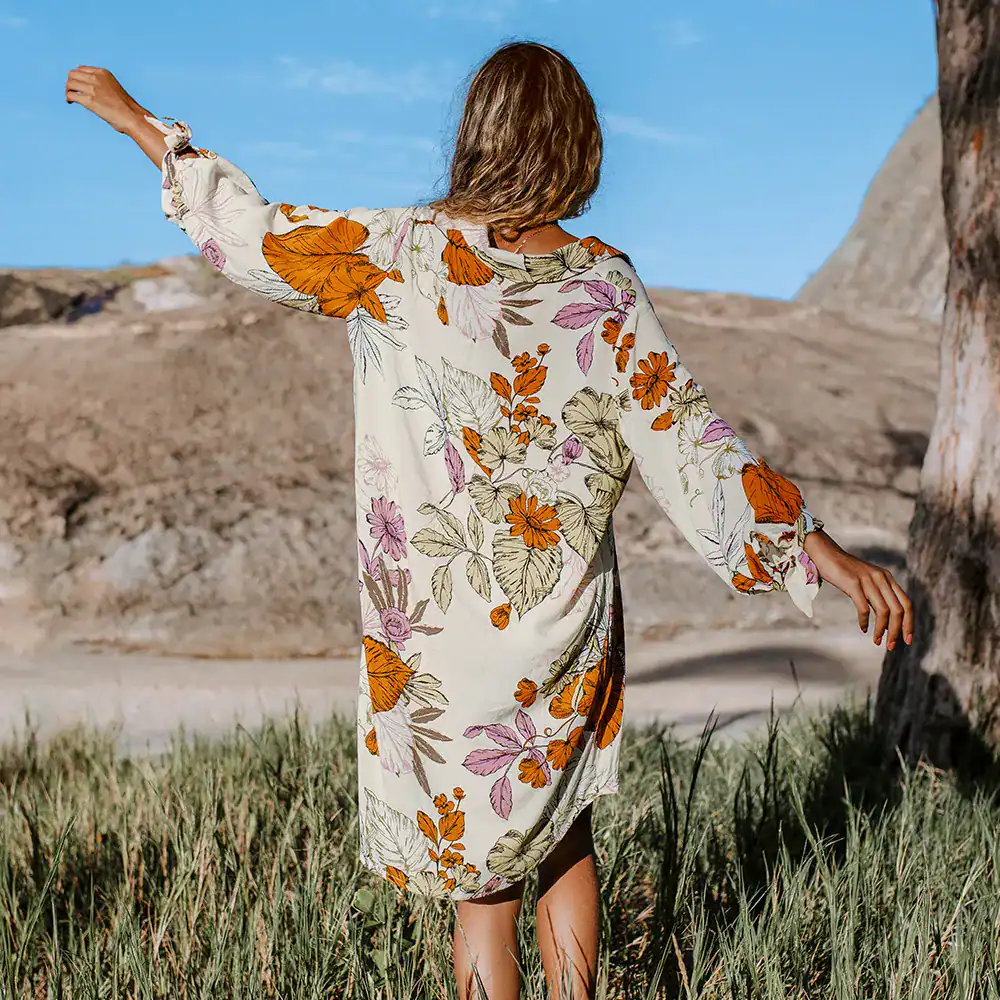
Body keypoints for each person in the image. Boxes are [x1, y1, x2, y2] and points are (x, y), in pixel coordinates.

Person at [66, 41, 914, 1000]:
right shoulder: (606, 290)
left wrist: (147, 130)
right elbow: (694, 446)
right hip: (566, 627)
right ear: (578, 145)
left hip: (440, 640)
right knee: (566, 835)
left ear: (478, 135)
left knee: (482, 884)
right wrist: (822, 555)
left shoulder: (399, 252)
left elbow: (255, 238)